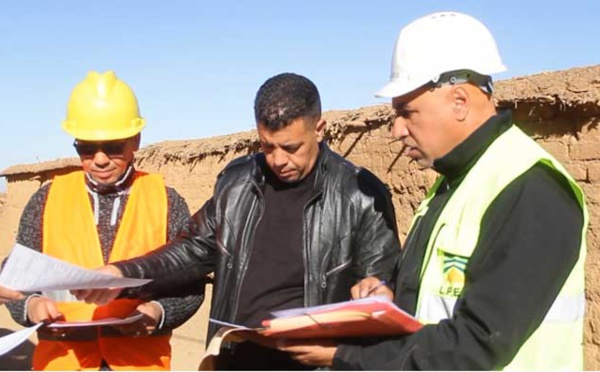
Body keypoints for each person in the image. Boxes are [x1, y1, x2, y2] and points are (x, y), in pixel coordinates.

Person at [276, 11, 588, 370]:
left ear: (459, 101)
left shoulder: (529, 189)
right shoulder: (454, 183)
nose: (395, 130)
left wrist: (346, 355)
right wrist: (389, 298)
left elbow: (476, 345)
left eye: (407, 112)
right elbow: (436, 302)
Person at [73, 72, 401, 370]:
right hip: (234, 358)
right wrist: (122, 273)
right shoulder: (237, 183)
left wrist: (376, 288)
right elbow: (190, 251)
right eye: (266, 146)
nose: (277, 160)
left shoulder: (361, 195)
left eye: (291, 147)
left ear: (319, 129)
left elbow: (381, 285)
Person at [6, 70, 203, 371]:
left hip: (139, 363)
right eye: (87, 148)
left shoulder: (166, 200)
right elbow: (18, 280)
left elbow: (191, 284)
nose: (99, 159)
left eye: (112, 147)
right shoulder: (46, 199)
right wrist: (31, 307)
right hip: (63, 362)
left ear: (135, 140)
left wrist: (157, 312)